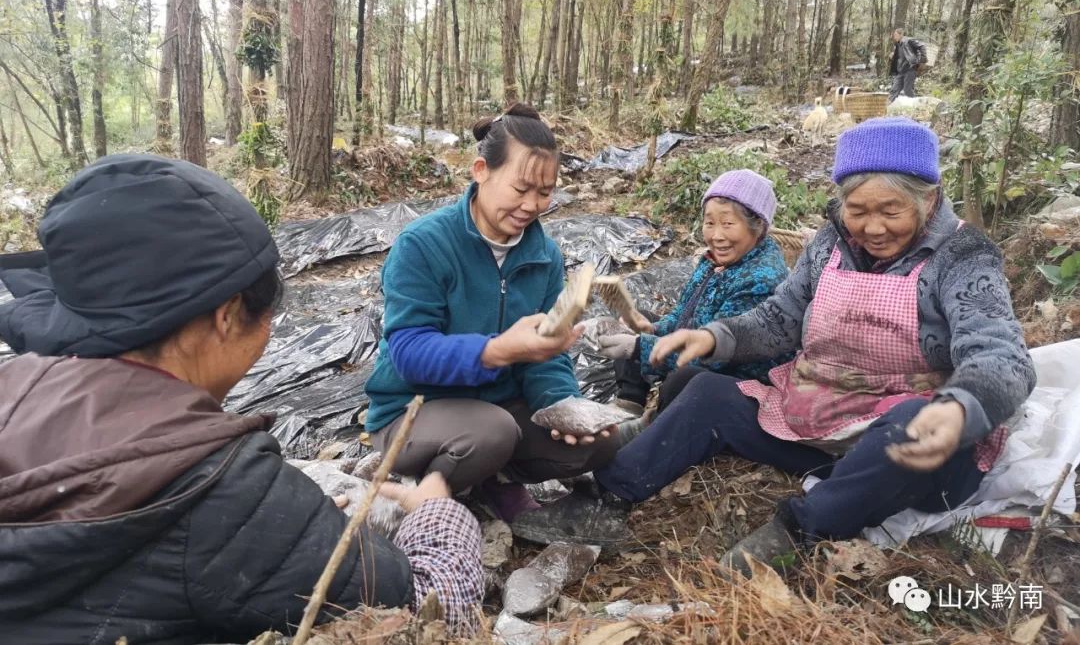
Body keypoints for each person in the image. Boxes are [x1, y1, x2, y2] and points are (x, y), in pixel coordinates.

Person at [511, 117, 1035, 575]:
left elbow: (1001, 356)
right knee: (707, 393)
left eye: (891, 212)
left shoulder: (964, 255)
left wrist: (958, 409)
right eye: (858, 210)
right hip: (817, 409)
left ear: (929, 199)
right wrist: (717, 336)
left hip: (912, 424)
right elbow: (782, 319)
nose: (872, 228)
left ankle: (799, 531)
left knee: (904, 436)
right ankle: (608, 497)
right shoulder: (831, 243)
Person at [0, 155, 483, 643]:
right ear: (228, 315)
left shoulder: (13, 385)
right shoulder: (223, 491)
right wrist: (434, 513)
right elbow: (430, 611)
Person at [364, 103, 619, 523]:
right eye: (521, 189)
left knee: (599, 441)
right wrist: (497, 351)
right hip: (415, 411)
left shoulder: (544, 256)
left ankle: (493, 478)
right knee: (491, 431)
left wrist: (561, 405)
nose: (532, 205)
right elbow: (409, 352)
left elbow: (548, 353)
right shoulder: (424, 245)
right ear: (481, 170)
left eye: (545, 191)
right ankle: (436, 486)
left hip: (500, 410)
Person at [603, 169, 789, 418]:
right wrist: (653, 331)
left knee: (685, 378)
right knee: (639, 323)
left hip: (734, 379)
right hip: (698, 348)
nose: (716, 235)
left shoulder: (761, 280)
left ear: (758, 227)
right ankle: (629, 404)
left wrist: (640, 348)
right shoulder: (713, 261)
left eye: (728, 224)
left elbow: (715, 357)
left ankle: (657, 422)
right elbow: (683, 313)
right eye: (709, 223)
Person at [888, 27, 928, 101]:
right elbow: (900, 58)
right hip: (900, 72)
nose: (894, 37)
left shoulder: (908, 41)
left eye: (896, 35)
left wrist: (922, 60)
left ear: (901, 35)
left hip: (910, 69)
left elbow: (922, 45)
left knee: (907, 90)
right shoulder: (897, 45)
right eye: (894, 35)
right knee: (894, 90)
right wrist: (893, 56)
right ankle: (887, 108)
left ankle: (915, 107)